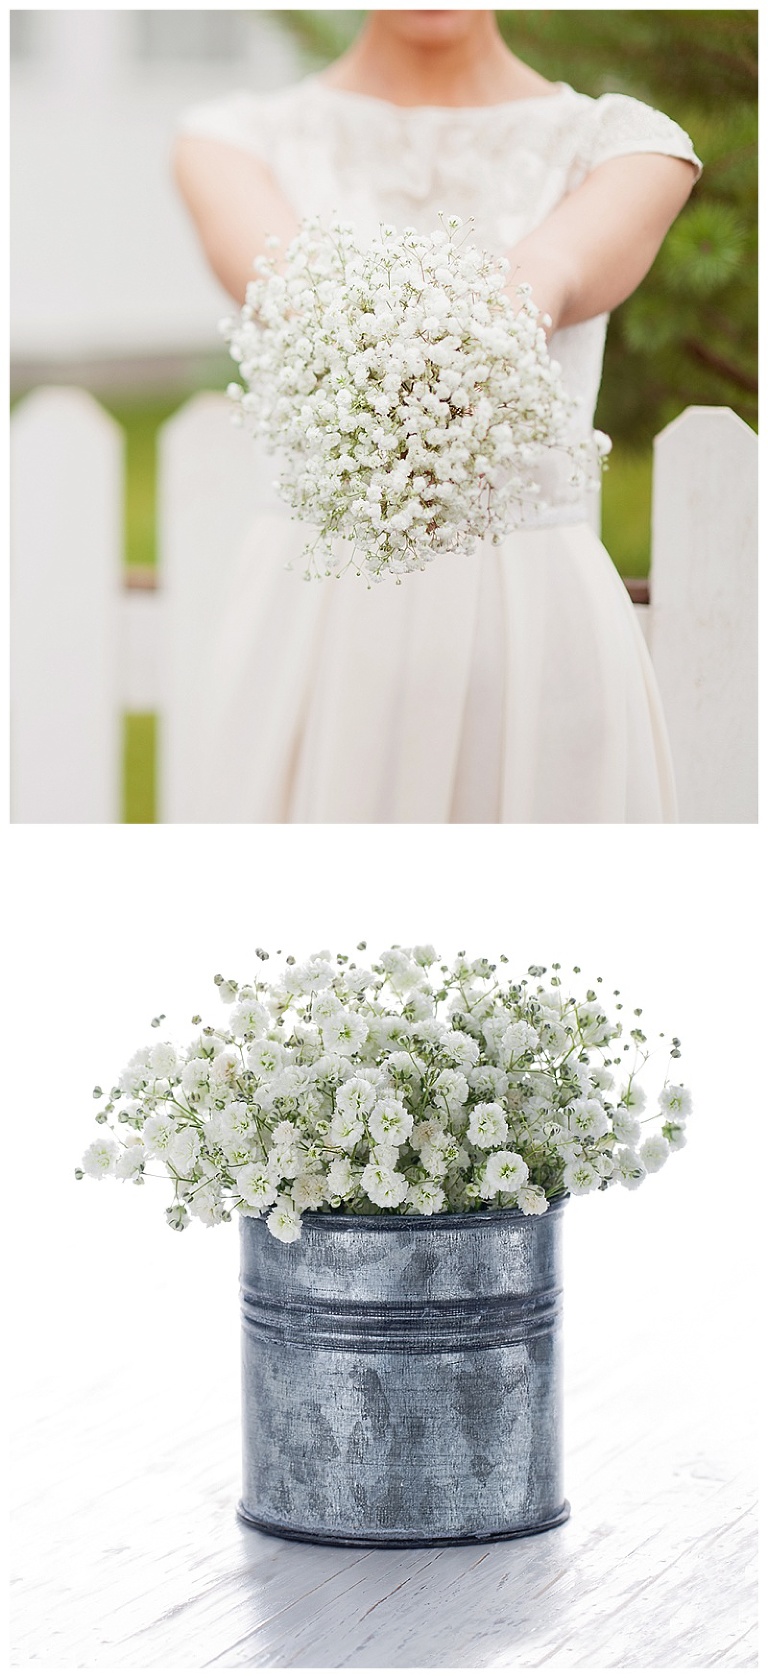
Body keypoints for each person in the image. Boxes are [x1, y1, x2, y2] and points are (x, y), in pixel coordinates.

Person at [173, 9, 701, 824]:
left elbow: (547, 277)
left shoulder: (627, 150)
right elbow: (297, 291)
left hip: (531, 626)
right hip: (317, 630)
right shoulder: (233, 143)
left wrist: (514, 301)